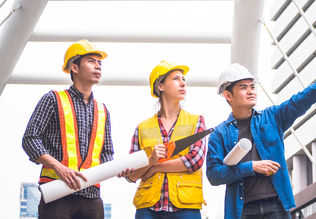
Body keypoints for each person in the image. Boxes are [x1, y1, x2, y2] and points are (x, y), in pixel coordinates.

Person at [206, 56, 316, 219]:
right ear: (228, 95)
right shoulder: (219, 134)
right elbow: (214, 175)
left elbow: (303, 99)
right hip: (242, 210)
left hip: (277, 205)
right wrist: (251, 167)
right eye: (244, 88)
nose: (251, 91)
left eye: (252, 86)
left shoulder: (273, 117)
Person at [22, 39, 114, 219]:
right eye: (91, 61)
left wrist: (115, 168)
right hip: (57, 192)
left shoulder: (103, 110)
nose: (98, 66)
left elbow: (106, 153)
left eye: (100, 62)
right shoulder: (52, 99)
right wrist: (58, 167)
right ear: (75, 67)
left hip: (91, 197)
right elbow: (30, 139)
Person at [119, 61, 206, 219]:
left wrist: (154, 167)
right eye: (176, 79)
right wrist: (151, 160)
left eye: (184, 79)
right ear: (161, 86)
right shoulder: (142, 128)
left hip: (185, 207)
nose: (183, 84)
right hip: (148, 208)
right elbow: (132, 176)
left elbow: (195, 160)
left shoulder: (196, 121)